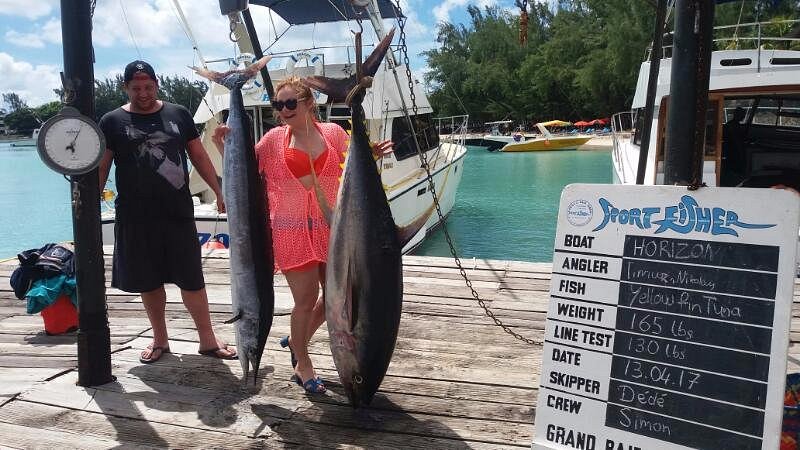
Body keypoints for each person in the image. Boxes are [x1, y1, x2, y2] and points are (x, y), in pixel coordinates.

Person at [212, 76, 392, 393]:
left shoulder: (334, 134)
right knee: (305, 301)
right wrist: (220, 145)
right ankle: (302, 365)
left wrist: (371, 154)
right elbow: (241, 171)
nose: (284, 110)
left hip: (332, 231)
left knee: (337, 298)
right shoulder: (271, 142)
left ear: (309, 103)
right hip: (290, 232)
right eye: (278, 105)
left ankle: (298, 341)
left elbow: (348, 166)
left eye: (290, 103)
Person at [98, 60, 237, 364]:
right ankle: (160, 340)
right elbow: (103, 163)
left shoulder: (178, 114)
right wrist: (90, 199)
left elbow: (197, 154)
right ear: (126, 88)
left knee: (192, 279)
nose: (143, 93)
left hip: (177, 212)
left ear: (156, 84)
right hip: (135, 216)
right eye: (136, 88)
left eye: (148, 87)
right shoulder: (111, 121)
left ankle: (207, 340)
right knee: (149, 281)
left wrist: (218, 189)